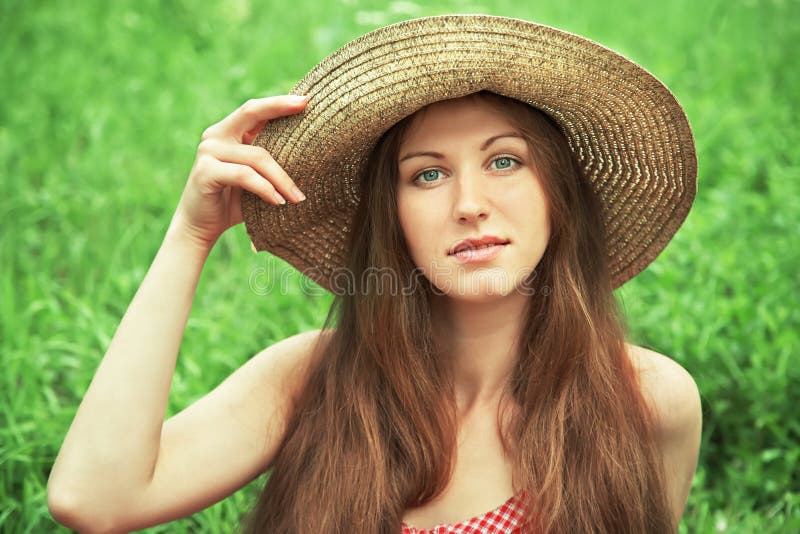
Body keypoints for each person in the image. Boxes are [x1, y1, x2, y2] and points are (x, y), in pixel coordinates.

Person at [47, 15, 702, 534]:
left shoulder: (647, 400)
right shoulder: (312, 381)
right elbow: (94, 500)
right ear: (393, 219)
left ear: (560, 194)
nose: (469, 204)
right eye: (428, 173)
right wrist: (191, 236)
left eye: (505, 162)